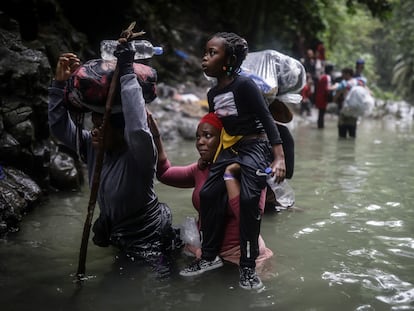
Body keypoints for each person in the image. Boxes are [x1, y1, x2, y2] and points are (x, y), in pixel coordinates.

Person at [48, 45, 179, 273]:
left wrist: (127, 72)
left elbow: (138, 128)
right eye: (93, 124)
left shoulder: (139, 155)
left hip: (148, 238)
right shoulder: (93, 146)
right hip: (118, 232)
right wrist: (59, 85)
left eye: (101, 125)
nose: (94, 130)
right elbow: (60, 128)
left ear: (121, 130)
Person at [179, 32, 286, 290]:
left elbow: (267, 118)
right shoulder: (213, 94)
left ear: (229, 60)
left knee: (249, 200)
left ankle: (248, 268)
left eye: (212, 53)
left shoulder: (245, 86)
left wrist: (279, 156)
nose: (205, 58)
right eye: (205, 52)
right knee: (208, 193)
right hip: (231, 148)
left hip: (255, 145)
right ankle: (210, 256)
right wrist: (208, 157)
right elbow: (218, 129)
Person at [148, 112, 273, 272]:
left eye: (207, 136)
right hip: (206, 253)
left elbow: (249, 220)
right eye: (197, 137)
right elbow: (164, 174)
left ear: (224, 139)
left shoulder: (248, 170)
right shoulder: (202, 168)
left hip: (239, 257)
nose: (200, 142)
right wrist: (156, 138)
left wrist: (229, 176)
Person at [314, 63, 334, 129]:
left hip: (319, 97)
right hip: (323, 98)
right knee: (321, 114)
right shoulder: (327, 77)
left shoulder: (322, 76)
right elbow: (327, 88)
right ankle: (321, 127)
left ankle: (320, 126)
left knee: (320, 114)